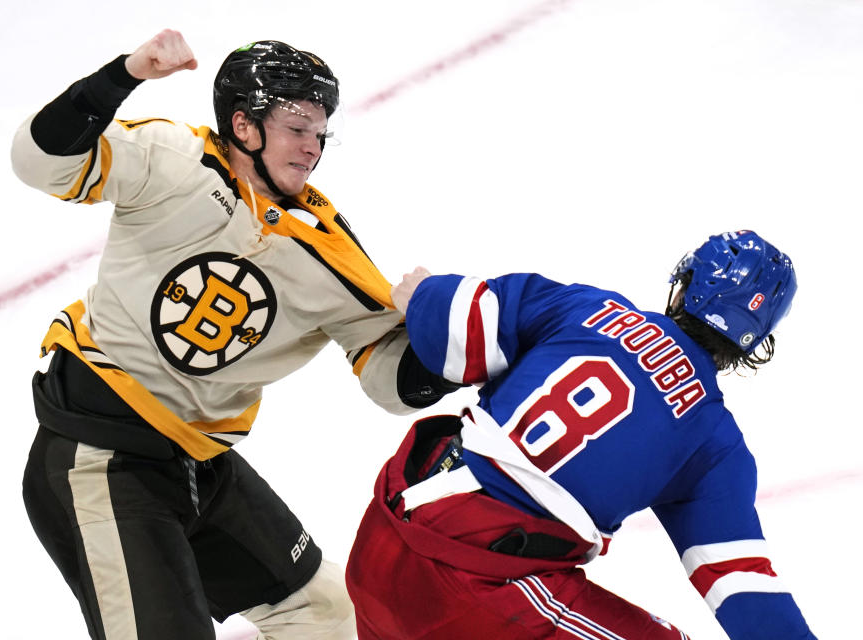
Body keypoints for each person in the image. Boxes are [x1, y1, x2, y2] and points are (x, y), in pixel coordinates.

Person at [11, 30, 459, 640]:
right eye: (297, 126)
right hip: (99, 461)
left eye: (320, 129)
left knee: (327, 613)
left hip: (201, 465)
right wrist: (124, 75)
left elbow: (389, 376)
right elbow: (40, 162)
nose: (313, 146)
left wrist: (448, 331)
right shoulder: (172, 161)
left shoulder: (327, 248)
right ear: (244, 125)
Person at [345, 230, 816, 639]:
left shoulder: (589, 306)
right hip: (475, 590)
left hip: (381, 539)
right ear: (757, 339)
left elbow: (456, 336)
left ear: (684, 285)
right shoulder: (714, 442)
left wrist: (427, 294)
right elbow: (745, 594)